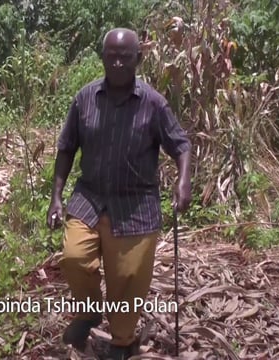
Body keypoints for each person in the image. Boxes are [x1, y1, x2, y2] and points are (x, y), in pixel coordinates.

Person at [47, 27, 192, 359]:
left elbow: (181, 145)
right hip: (90, 197)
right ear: (102, 58)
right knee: (74, 258)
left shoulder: (153, 104)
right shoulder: (85, 98)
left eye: (125, 57)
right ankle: (89, 312)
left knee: (127, 278)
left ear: (138, 59)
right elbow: (67, 148)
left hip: (136, 203)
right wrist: (56, 196)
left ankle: (123, 341)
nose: (117, 63)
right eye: (111, 56)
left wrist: (183, 181)